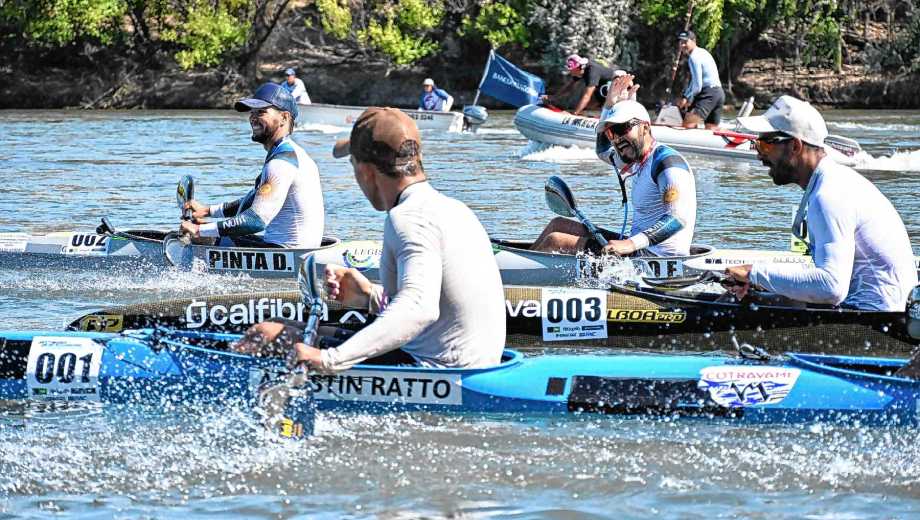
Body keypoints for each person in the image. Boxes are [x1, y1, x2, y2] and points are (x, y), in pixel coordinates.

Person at [236, 107, 505, 373]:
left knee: (265, 332)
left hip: (440, 369)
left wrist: (331, 360)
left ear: (365, 171)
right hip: (467, 358)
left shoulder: (409, 219)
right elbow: (439, 305)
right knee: (282, 325)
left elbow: (419, 309)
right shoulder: (452, 208)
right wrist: (369, 297)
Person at [725, 96, 917, 311]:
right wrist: (759, 282)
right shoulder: (833, 181)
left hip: (875, 321)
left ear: (795, 146)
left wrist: (755, 273)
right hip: (876, 310)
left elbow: (831, 287)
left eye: (764, 145)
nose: (759, 155)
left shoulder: (829, 196)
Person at [531, 100, 696, 257]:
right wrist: (609, 104)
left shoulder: (667, 163)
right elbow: (602, 151)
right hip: (638, 249)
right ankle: (516, 262)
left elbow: (677, 218)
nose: (617, 139)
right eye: (611, 132)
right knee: (557, 224)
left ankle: (514, 273)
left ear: (645, 127)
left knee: (556, 241)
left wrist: (630, 244)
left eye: (622, 128)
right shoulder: (636, 159)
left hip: (659, 257)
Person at [180, 83, 324, 248]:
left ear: (284, 117)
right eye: (252, 112)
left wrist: (199, 231)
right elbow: (253, 201)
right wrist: (208, 211)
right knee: (211, 234)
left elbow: (255, 221)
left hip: (287, 253)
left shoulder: (280, 164)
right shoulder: (291, 154)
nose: (253, 118)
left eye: (261, 112)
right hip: (292, 248)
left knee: (198, 239)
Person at [541, 54, 618, 116]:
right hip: (601, 89)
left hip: (612, 88)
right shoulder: (580, 69)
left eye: (571, 71)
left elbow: (587, 96)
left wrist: (574, 114)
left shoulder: (592, 72)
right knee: (588, 106)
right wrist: (554, 97)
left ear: (578, 68)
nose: (570, 73)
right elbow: (569, 86)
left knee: (591, 102)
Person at [676, 31, 724, 129]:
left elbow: (697, 86)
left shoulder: (693, 57)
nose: (683, 45)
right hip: (719, 93)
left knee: (688, 124)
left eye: (685, 42)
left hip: (708, 94)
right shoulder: (703, 52)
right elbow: (694, 81)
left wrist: (687, 98)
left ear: (694, 41)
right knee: (711, 128)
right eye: (681, 42)